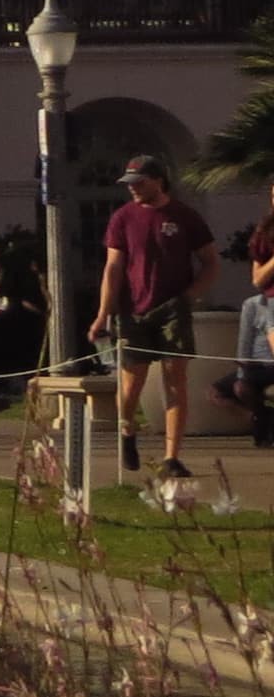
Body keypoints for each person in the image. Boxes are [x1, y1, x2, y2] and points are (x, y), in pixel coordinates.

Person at [89, 158, 222, 477]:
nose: (133, 187)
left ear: (158, 181)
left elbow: (210, 262)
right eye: (129, 182)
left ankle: (172, 456)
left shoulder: (185, 216)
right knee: (132, 383)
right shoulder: (122, 218)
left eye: (139, 181)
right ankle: (127, 431)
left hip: (172, 308)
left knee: (175, 380)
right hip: (133, 309)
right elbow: (114, 268)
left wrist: (190, 296)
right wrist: (102, 314)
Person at [215, 220, 274, 448]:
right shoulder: (264, 232)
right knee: (229, 389)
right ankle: (262, 418)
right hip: (267, 313)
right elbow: (258, 279)